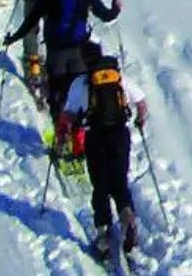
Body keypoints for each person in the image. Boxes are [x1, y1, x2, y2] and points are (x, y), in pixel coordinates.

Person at [2, 0, 120, 147]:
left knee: (57, 94)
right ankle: (79, 140)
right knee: (79, 95)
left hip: (56, 51)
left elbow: (31, 22)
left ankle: (61, 137)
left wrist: (12, 38)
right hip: (79, 52)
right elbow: (107, 15)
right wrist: (116, 7)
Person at [63, 50, 147, 256]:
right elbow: (141, 102)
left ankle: (103, 235)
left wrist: (65, 132)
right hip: (120, 134)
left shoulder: (81, 83)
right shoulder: (119, 78)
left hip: (95, 136)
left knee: (99, 184)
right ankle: (127, 218)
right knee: (119, 179)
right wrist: (140, 119)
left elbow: (68, 114)